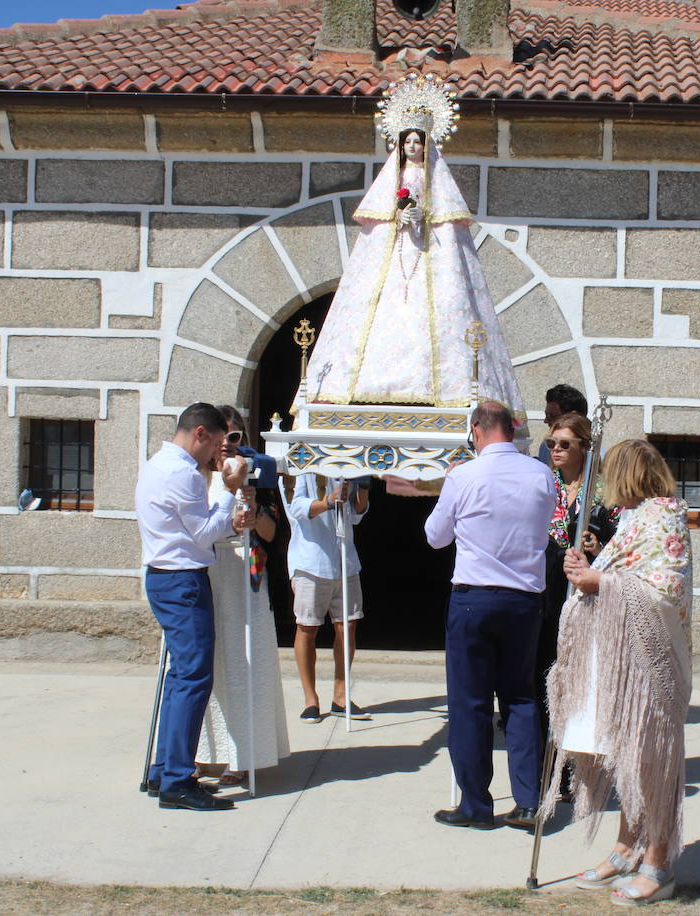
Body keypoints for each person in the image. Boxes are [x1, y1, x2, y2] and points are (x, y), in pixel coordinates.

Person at [542, 439, 694, 905]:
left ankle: (659, 863)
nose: (605, 483)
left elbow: (664, 591)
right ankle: (627, 849)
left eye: (610, 473)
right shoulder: (635, 518)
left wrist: (599, 580)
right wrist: (589, 570)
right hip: (621, 661)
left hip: (650, 666)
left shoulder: (663, 517)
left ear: (628, 474)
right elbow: (626, 573)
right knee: (627, 758)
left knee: (651, 760)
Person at [298, 121, 523, 416]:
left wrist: (423, 217)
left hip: (433, 256)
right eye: (408, 143)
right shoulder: (392, 177)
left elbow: (444, 219)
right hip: (395, 254)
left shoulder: (437, 179)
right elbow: (379, 220)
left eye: (417, 142)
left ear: (426, 146)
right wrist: (398, 218)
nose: (413, 147)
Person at [424, 400, 557, 830]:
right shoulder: (540, 474)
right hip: (524, 598)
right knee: (520, 698)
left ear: (477, 431)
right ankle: (528, 801)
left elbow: (435, 537)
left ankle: (476, 805)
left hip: (475, 597)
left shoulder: (464, 475)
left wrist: (451, 485)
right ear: (511, 431)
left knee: (470, 703)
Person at [136, 402, 254, 812]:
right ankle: (177, 779)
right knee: (192, 679)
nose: (215, 453)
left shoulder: (158, 464)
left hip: (165, 576)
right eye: (216, 443)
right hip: (182, 579)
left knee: (180, 678)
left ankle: (165, 768)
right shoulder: (183, 473)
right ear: (200, 433)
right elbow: (205, 534)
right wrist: (229, 489)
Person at [198, 406, 290, 787]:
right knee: (204, 666)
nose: (226, 444)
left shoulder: (255, 475)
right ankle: (204, 754)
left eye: (233, 436)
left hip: (242, 576)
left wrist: (253, 513)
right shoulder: (195, 475)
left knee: (243, 664)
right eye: (220, 437)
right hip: (205, 575)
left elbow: (272, 531)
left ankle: (244, 756)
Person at [537, 412, 619, 798]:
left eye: (564, 444)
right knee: (546, 677)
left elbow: (621, 547)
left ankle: (575, 769)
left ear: (585, 447)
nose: (555, 449)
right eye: (551, 443)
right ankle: (546, 765)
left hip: (585, 595)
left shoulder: (604, 492)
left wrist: (598, 547)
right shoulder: (543, 484)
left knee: (580, 682)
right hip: (545, 590)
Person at [282, 472, 371, 723]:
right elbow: (295, 506)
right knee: (307, 628)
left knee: (347, 626)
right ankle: (310, 700)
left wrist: (363, 488)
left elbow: (355, 515)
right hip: (311, 562)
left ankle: (340, 697)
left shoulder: (347, 466)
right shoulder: (300, 465)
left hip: (345, 559)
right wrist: (327, 501)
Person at [537, 384, 588, 463]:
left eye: (551, 416)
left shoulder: (595, 455)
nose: (546, 421)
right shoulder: (546, 447)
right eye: (546, 415)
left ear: (574, 418)